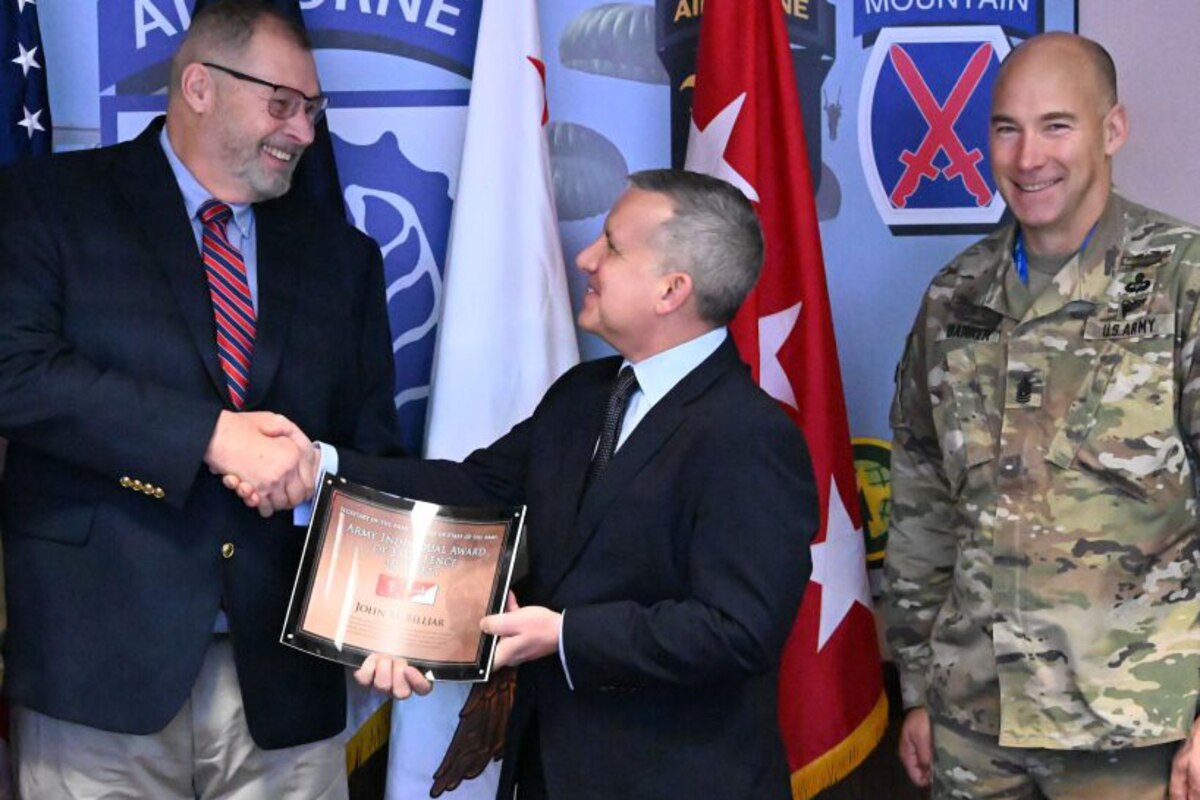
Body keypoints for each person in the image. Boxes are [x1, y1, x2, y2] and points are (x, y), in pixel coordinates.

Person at [233, 169, 818, 799]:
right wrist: (314, 466)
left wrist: (563, 635)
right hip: (548, 773)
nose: (586, 257)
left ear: (673, 289)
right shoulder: (583, 395)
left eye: (613, 247)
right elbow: (474, 490)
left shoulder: (750, 436)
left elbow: (738, 630)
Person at [0, 1, 403, 797]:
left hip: (286, 689)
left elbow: (375, 451)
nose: (304, 133)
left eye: (313, 112)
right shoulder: (49, 203)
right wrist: (212, 437)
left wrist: (385, 621)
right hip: (98, 675)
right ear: (198, 87)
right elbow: (17, 376)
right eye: (282, 105)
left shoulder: (343, 257)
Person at [884, 31, 1200, 800]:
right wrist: (921, 689)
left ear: (1112, 130)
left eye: (1057, 125)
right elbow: (923, 502)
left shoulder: (1182, 280)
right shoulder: (953, 296)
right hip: (974, 721)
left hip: (1133, 727)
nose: (1028, 158)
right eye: (1006, 128)